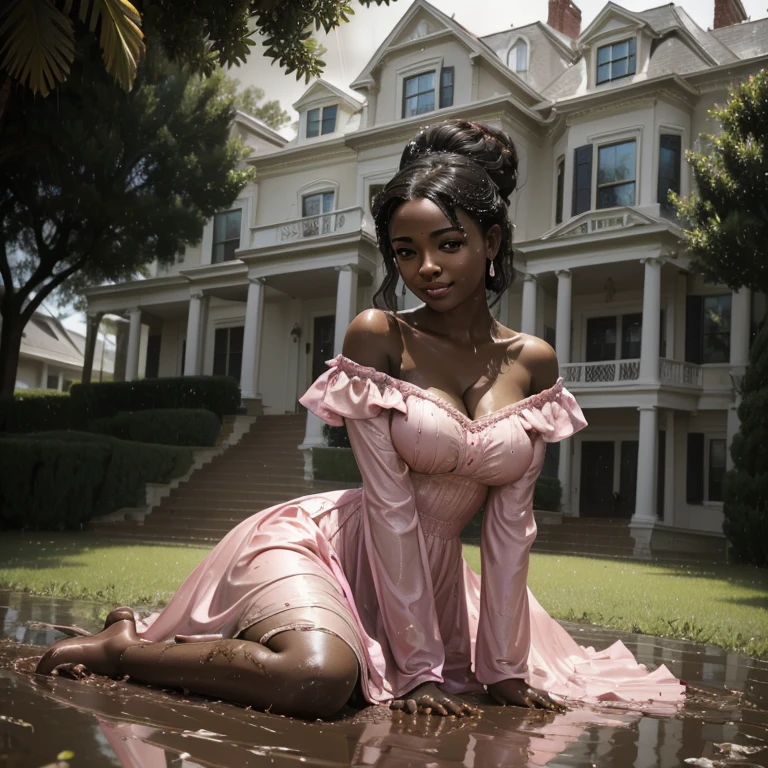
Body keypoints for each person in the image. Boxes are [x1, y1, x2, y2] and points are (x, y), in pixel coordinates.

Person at [35, 120, 685, 719]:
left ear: (491, 242)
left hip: (435, 577)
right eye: (405, 252)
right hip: (331, 545)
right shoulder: (378, 337)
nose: (425, 268)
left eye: (449, 244)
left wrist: (504, 670)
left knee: (446, 679)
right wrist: (422, 671)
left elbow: (511, 532)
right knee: (317, 679)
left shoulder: (535, 363)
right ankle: (122, 649)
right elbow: (392, 508)